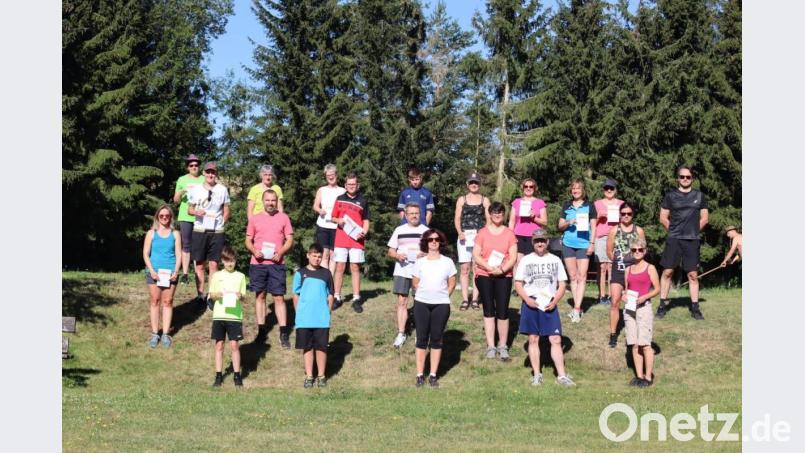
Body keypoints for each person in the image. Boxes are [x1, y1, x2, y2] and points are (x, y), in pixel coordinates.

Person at [514, 229, 575, 387]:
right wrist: (527, 300)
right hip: (531, 303)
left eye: (542, 240)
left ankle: (561, 376)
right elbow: (518, 283)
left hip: (549, 303)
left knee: (555, 339)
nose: (540, 243)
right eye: (536, 241)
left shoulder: (555, 259)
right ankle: (537, 374)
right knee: (533, 339)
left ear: (547, 242)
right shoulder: (526, 260)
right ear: (533, 243)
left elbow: (562, 284)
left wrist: (555, 301)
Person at [657, 165, 708, 320]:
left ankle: (695, 308)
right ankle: (662, 305)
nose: (685, 179)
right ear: (677, 178)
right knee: (667, 272)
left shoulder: (699, 196)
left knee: (692, 275)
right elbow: (663, 217)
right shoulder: (670, 196)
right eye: (682, 177)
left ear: (692, 178)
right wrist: (673, 230)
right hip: (674, 239)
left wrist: (693, 231)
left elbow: (705, 218)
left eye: (688, 177)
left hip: (692, 240)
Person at [245, 189, 294, 348]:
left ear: (276, 201)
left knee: (279, 298)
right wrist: (254, 251)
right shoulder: (255, 219)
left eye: (273, 200)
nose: (270, 203)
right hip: (258, 264)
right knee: (260, 296)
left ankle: (284, 333)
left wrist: (280, 253)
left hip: (277, 264)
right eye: (268, 200)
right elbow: (248, 241)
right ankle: (261, 331)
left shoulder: (284, 217)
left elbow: (290, 240)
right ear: (263, 201)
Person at [411, 229, 457, 388]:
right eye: (430, 240)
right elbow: (415, 282)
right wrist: (424, 293)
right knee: (421, 338)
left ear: (440, 242)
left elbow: (452, 282)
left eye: (436, 239)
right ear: (426, 242)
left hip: (441, 304)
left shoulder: (448, 262)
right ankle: (419, 374)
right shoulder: (420, 262)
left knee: (437, 338)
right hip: (421, 303)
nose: (433, 242)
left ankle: (432, 375)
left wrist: (444, 295)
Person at [473, 202, 518, 361]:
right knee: (488, 310)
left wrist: (502, 270)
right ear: (490, 214)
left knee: (503, 311)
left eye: (500, 212)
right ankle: (491, 346)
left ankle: (503, 346)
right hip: (484, 274)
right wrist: (488, 267)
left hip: (503, 276)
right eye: (494, 212)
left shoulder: (509, 233)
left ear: (504, 214)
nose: (497, 215)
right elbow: (476, 255)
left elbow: (513, 257)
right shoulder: (482, 233)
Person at [292, 243, 335, 388]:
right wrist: (299, 313)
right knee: (307, 348)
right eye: (314, 256)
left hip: (321, 319)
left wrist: (327, 310)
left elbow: (331, 294)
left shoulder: (326, 273)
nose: (317, 259)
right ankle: (309, 376)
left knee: (321, 348)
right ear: (308, 255)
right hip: (304, 319)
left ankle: (321, 376)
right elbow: (296, 294)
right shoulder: (300, 273)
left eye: (319, 256)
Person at [187, 162, 231, 303]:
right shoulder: (196, 189)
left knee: (214, 264)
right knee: (199, 264)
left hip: (217, 231)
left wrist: (221, 222)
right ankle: (200, 295)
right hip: (200, 230)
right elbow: (189, 210)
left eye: (213, 172)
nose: (211, 174)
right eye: (208, 172)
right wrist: (196, 212)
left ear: (216, 174)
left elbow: (226, 210)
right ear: (204, 173)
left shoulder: (223, 189)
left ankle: (211, 296)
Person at [387, 203, 428, 348]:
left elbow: (434, 250)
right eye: (411, 213)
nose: (414, 216)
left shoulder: (426, 231)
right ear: (405, 214)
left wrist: (425, 254)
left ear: (420, 214)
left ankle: (420, 334)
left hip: (420, 272)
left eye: (416, 213)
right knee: (402, 302)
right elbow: (390, 251)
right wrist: (398, 256)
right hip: (402, 270)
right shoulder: (399, 230)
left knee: (420, 303)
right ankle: (401, 333)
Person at [606, 202, 645, 348]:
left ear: (632, 214)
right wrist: (619, 261)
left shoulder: (639, 230)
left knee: (632, 303)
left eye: (629, 213)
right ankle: (613, 333)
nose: (626, 216)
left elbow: (642, 250)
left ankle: (633, 332)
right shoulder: (613, 230)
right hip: (618, 269)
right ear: (619, 215)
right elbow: (609, 251)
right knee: (615, 301)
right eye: (623, 214)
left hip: (634, 270)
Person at [142, 204, 182, 348]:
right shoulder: (151, 233)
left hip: (170, 273)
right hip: (154, 272)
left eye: (167, 216)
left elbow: (178, 254)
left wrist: (176, 271)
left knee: (168, 301)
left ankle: (165, 334)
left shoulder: (175, 234)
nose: (164, 218)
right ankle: (154, 333)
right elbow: (146, 254)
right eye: (161, 216)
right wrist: (151, 270)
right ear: (157, 217)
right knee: (154, 301)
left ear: (171, 217)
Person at [558, 178, 597, 323]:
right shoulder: (566, 205)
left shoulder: (590, 206)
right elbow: (560, 226)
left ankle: (576, 308)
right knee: (573, 277)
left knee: (582, 276)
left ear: (583, 190)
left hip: (583, 244)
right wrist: (569, 222)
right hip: (568, 243)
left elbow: (594, 227)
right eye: (573, 188)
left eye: (578, 188)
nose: (575, 191)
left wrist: (592, 243)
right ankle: (577, 307)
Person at [331, 173, 371, 312]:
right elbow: (333, 217)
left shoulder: (363, 200)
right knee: (340, 268)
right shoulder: (339, 198)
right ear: (345, 185)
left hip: (357, 240)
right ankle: (336, 297)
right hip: (341, 239)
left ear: (357, 185)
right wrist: (338, 220)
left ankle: (356, 298)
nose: (351, 186)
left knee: (355, 268)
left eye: (354, 184)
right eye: (349, 184)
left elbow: (366, 220)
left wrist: (364, 232)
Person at [623, 238, 660, 387]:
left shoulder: (650, 268)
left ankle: (648, 377)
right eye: (634, 250)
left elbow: (657, 289)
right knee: (633, 344)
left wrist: (645, 296)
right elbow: (626, 288)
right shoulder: (628, 269)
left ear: (644, 251)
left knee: (645, 344)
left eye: (640, 250)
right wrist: (624, 296)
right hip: (630, 308)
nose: (637, 252)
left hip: (644, 308)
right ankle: (638, 376)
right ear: (631, 252)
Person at [209, 245, 247, 387]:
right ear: (222, 261)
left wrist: (240, 296)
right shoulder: (217, 276)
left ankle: (237, 375)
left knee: (234, 345)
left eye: (232, 260)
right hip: (219, 315)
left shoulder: (241, 276)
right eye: (227, 261)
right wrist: (217, 294)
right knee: (219, 345)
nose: (230, 263)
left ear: (235, 261)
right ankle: (218, 375)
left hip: (235, 316)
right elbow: (211, 295)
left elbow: (243, 296)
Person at [453, 171, 490, 310]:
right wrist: (459, 232)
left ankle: (474, 299)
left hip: (479, 238)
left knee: (477, 268)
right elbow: (457, 218)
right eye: (471, 182)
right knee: (464, 268)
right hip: (464, 238)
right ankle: (464, 299)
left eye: (476, 182)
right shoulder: (462, 199)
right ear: (467, 184)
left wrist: (484, 234)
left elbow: (489, 219)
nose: (474, 185)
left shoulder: (484, 200)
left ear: (479, 184)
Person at [172, 154, 204, 284]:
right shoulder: (182, 179)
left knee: (198, 246)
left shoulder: (204, 179)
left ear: (199, 166)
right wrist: (183, 190)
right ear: (187, 167)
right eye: (191, 165)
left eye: (196, 165)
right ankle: (185, 274)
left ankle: (198, 273)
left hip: (201, 216)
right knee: (186, 245)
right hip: (185, 216)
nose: (194, 167)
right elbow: (175, 200)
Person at [593, 178, 624, 306]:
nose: (609, 190)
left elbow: (627, 218)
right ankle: (601, 296)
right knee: (602, 267)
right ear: (603, 190)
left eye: (611, 188)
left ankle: (612, 295)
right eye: (606, 188)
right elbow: (591, 222)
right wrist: (599, 217)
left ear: (615, 190)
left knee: (612, 267)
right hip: (600, 236)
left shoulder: (621, 203)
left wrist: (620, 217)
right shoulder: (597, 203)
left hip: (616, 236)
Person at [312, 164, 346, 274]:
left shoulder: (343, 191)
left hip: (337, 227)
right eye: (328, 175)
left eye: (332, 175)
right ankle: (324, 279)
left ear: (336, 175)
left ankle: (330, 281)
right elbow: (315, 206)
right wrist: (319, 210)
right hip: (323, 225)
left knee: (333, 255)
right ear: (325, 176)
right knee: (324, 254)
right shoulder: (321, 190)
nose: (330, 177)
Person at [508, 178, 548, 273]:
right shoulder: (516, 202)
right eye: (526, 186)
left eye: (531, 186)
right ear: (523, 188)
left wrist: (534, 218)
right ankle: (518, 287)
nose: (528, 188)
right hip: (518, 236)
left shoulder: (540, 202)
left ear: (535, 188)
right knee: (518, 263)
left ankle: (531, 287)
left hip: (535, 236)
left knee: (532, 263)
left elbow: (545, 222)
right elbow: (512, 221)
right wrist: (510, 236)